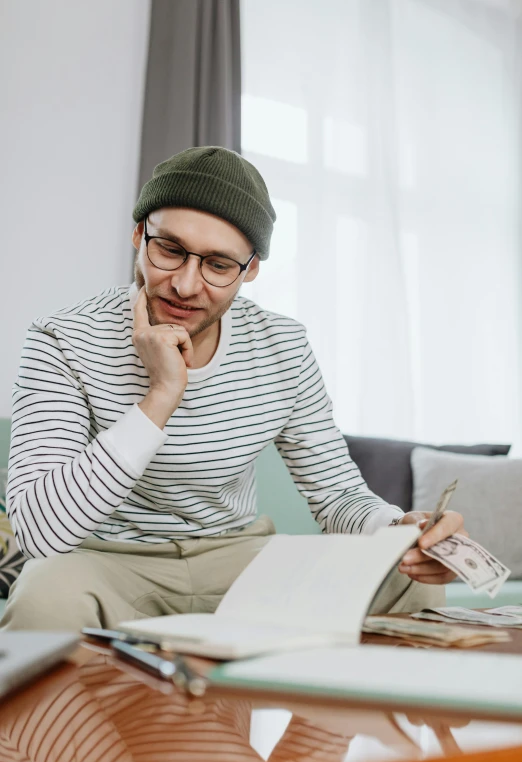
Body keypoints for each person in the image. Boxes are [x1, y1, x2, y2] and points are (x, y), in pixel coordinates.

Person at [2, 147, 465, 632]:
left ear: (251, 270)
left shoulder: (282, 345)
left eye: (219, 265)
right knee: (43, 599)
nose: (184, 285)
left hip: (240, 561)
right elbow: (39, 534)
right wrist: (160, 395)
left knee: (411, 573)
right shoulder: (62, 338)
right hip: (110, 564)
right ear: (138, 234)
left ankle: (336, 705)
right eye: (169, 249)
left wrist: (398, 531)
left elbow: (337, 495)